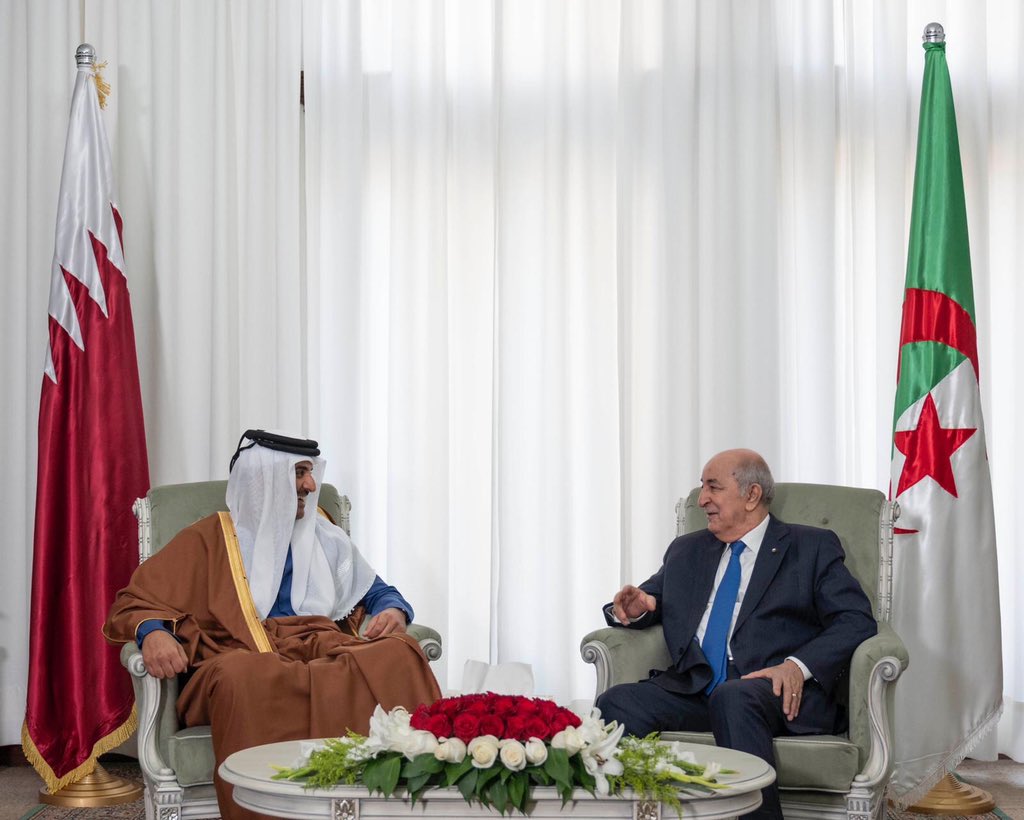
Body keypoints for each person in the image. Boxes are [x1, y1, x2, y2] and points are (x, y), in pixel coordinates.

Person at [104, 430, 441, 820]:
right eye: (299, 473)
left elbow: (378, 591)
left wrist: (393, 611)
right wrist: (153, 632)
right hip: (239, 651)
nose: (310, 485)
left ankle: (399, 806)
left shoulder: (323, 533)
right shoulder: (210, 538)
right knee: (244, 675)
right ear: (265, 478)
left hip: (320, 645)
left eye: (311, 473)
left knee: (399, 653)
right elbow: (135, 601)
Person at [595, 449, 876, 820]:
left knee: (734, 697)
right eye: (702, 487)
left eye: (713, 487)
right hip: (696, 688)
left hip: (773, 691)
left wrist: (796, 666)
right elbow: (649, 599)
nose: (702, 499)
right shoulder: (687, 550)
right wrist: (636, 609)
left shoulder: (810, 547)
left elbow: (856, 619)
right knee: (616, 703)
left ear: (752, 495)